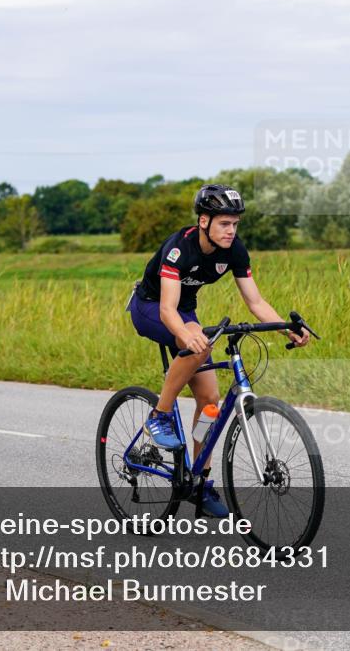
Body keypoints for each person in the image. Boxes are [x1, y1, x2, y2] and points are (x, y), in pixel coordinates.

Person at [127, 184, 310, 517]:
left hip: (184, 313)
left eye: (235, 224)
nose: (231, 231)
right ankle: (159, 416)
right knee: (198, 342)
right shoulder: (179, 250)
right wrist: (186, 333)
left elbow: (255, 301)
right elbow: (168, 310)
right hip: (151, 308)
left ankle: (199, 482)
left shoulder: (234, 251)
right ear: (203, 221)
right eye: (224, 223)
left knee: (210, 403)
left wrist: (287, 326)